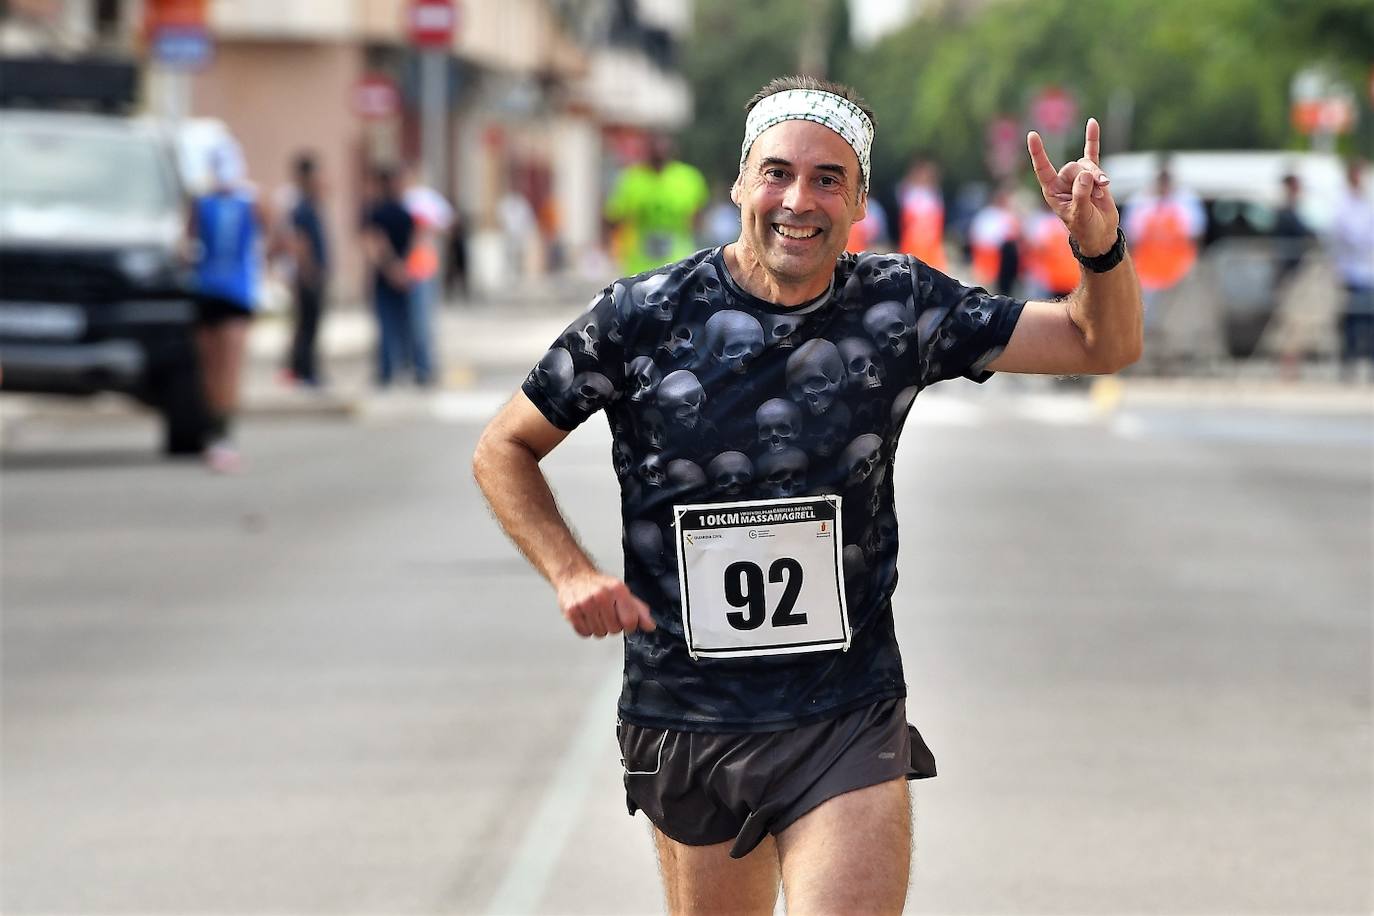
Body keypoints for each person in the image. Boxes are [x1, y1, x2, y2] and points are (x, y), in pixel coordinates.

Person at [472, 75, 1141, 914]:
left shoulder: (898, 306)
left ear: (859, 201)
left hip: (844, 710)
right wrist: (569, 570)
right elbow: (504, 446)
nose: (800, 199)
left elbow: (1098, 342)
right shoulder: (640, 317)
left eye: (829, 179)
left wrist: (1100, 248)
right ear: (740, 184)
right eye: (778, 172)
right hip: (689, 711)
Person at [188, 141, 269, 473]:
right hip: (208, 289)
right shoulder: (202, 201)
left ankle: (223, 437)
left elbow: (272, 235)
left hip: (236, 292)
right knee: (212, 369)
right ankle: (214, 434)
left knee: (228, 368)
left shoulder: (250, 202)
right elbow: (187, 241)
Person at [604, 134, 709, 275]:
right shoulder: (631, 180)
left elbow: (699, 216)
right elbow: (614, 219)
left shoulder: (688, 178)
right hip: (639, 265)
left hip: (679, 262)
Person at [361, 165, 415, 388]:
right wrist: (400, 269)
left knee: (392, 323)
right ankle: (398, 367)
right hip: (397, 274)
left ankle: (390, 370)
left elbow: (375, 244)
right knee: (396, 323)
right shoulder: (396, 211)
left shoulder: (382, 211)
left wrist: (393, 268)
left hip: (390, 275)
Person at [403, 176, 455, 388]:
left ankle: (422, 367)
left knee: (421, 323)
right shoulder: (415, 204)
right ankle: (420, 366)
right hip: (418, 271)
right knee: (419, 323)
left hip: (421, 271)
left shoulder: (417, 204)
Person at [285, 152, 330, 388]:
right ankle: (304, 371)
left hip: (313, 272)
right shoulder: (302, 207)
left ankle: (305, 369)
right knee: (307, 325)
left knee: (311, 324)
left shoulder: (312, 204)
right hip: (308, 275)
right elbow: (300, 243)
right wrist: (308, 271)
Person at [1330, 158, 1374, 380]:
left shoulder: (1365, 203)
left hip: (1367, 270)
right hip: (1350, 270)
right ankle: (1349, 364)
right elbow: (1348, 234)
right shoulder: (1343, 203)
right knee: (1351, 321)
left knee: (1369, 320)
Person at [968, 181, 1021, 294]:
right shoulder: (987, 215)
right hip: (990, 260)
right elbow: (980, 239)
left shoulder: (1010, 216)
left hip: (1007, 262)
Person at [896, 158, 947, 270]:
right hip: (913, 239)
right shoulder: (910, 192)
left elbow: (937, 219)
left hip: (930, 241)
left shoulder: (934, 193)